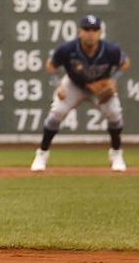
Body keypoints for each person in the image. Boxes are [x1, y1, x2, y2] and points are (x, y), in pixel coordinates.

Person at [29, 15, 130, 173]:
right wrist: (57, 85)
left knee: (115, 114)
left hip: (98, 87)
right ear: (79, 32)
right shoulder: (68, 49)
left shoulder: (110, 50)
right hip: (74, 85)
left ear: (100, 32)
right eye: (87, 29)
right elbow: (50, 65)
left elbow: (124, 63)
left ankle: (116, 154)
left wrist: (114, 80)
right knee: (57, 112)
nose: (91, 33)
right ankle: (42, 153)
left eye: (95, 30)